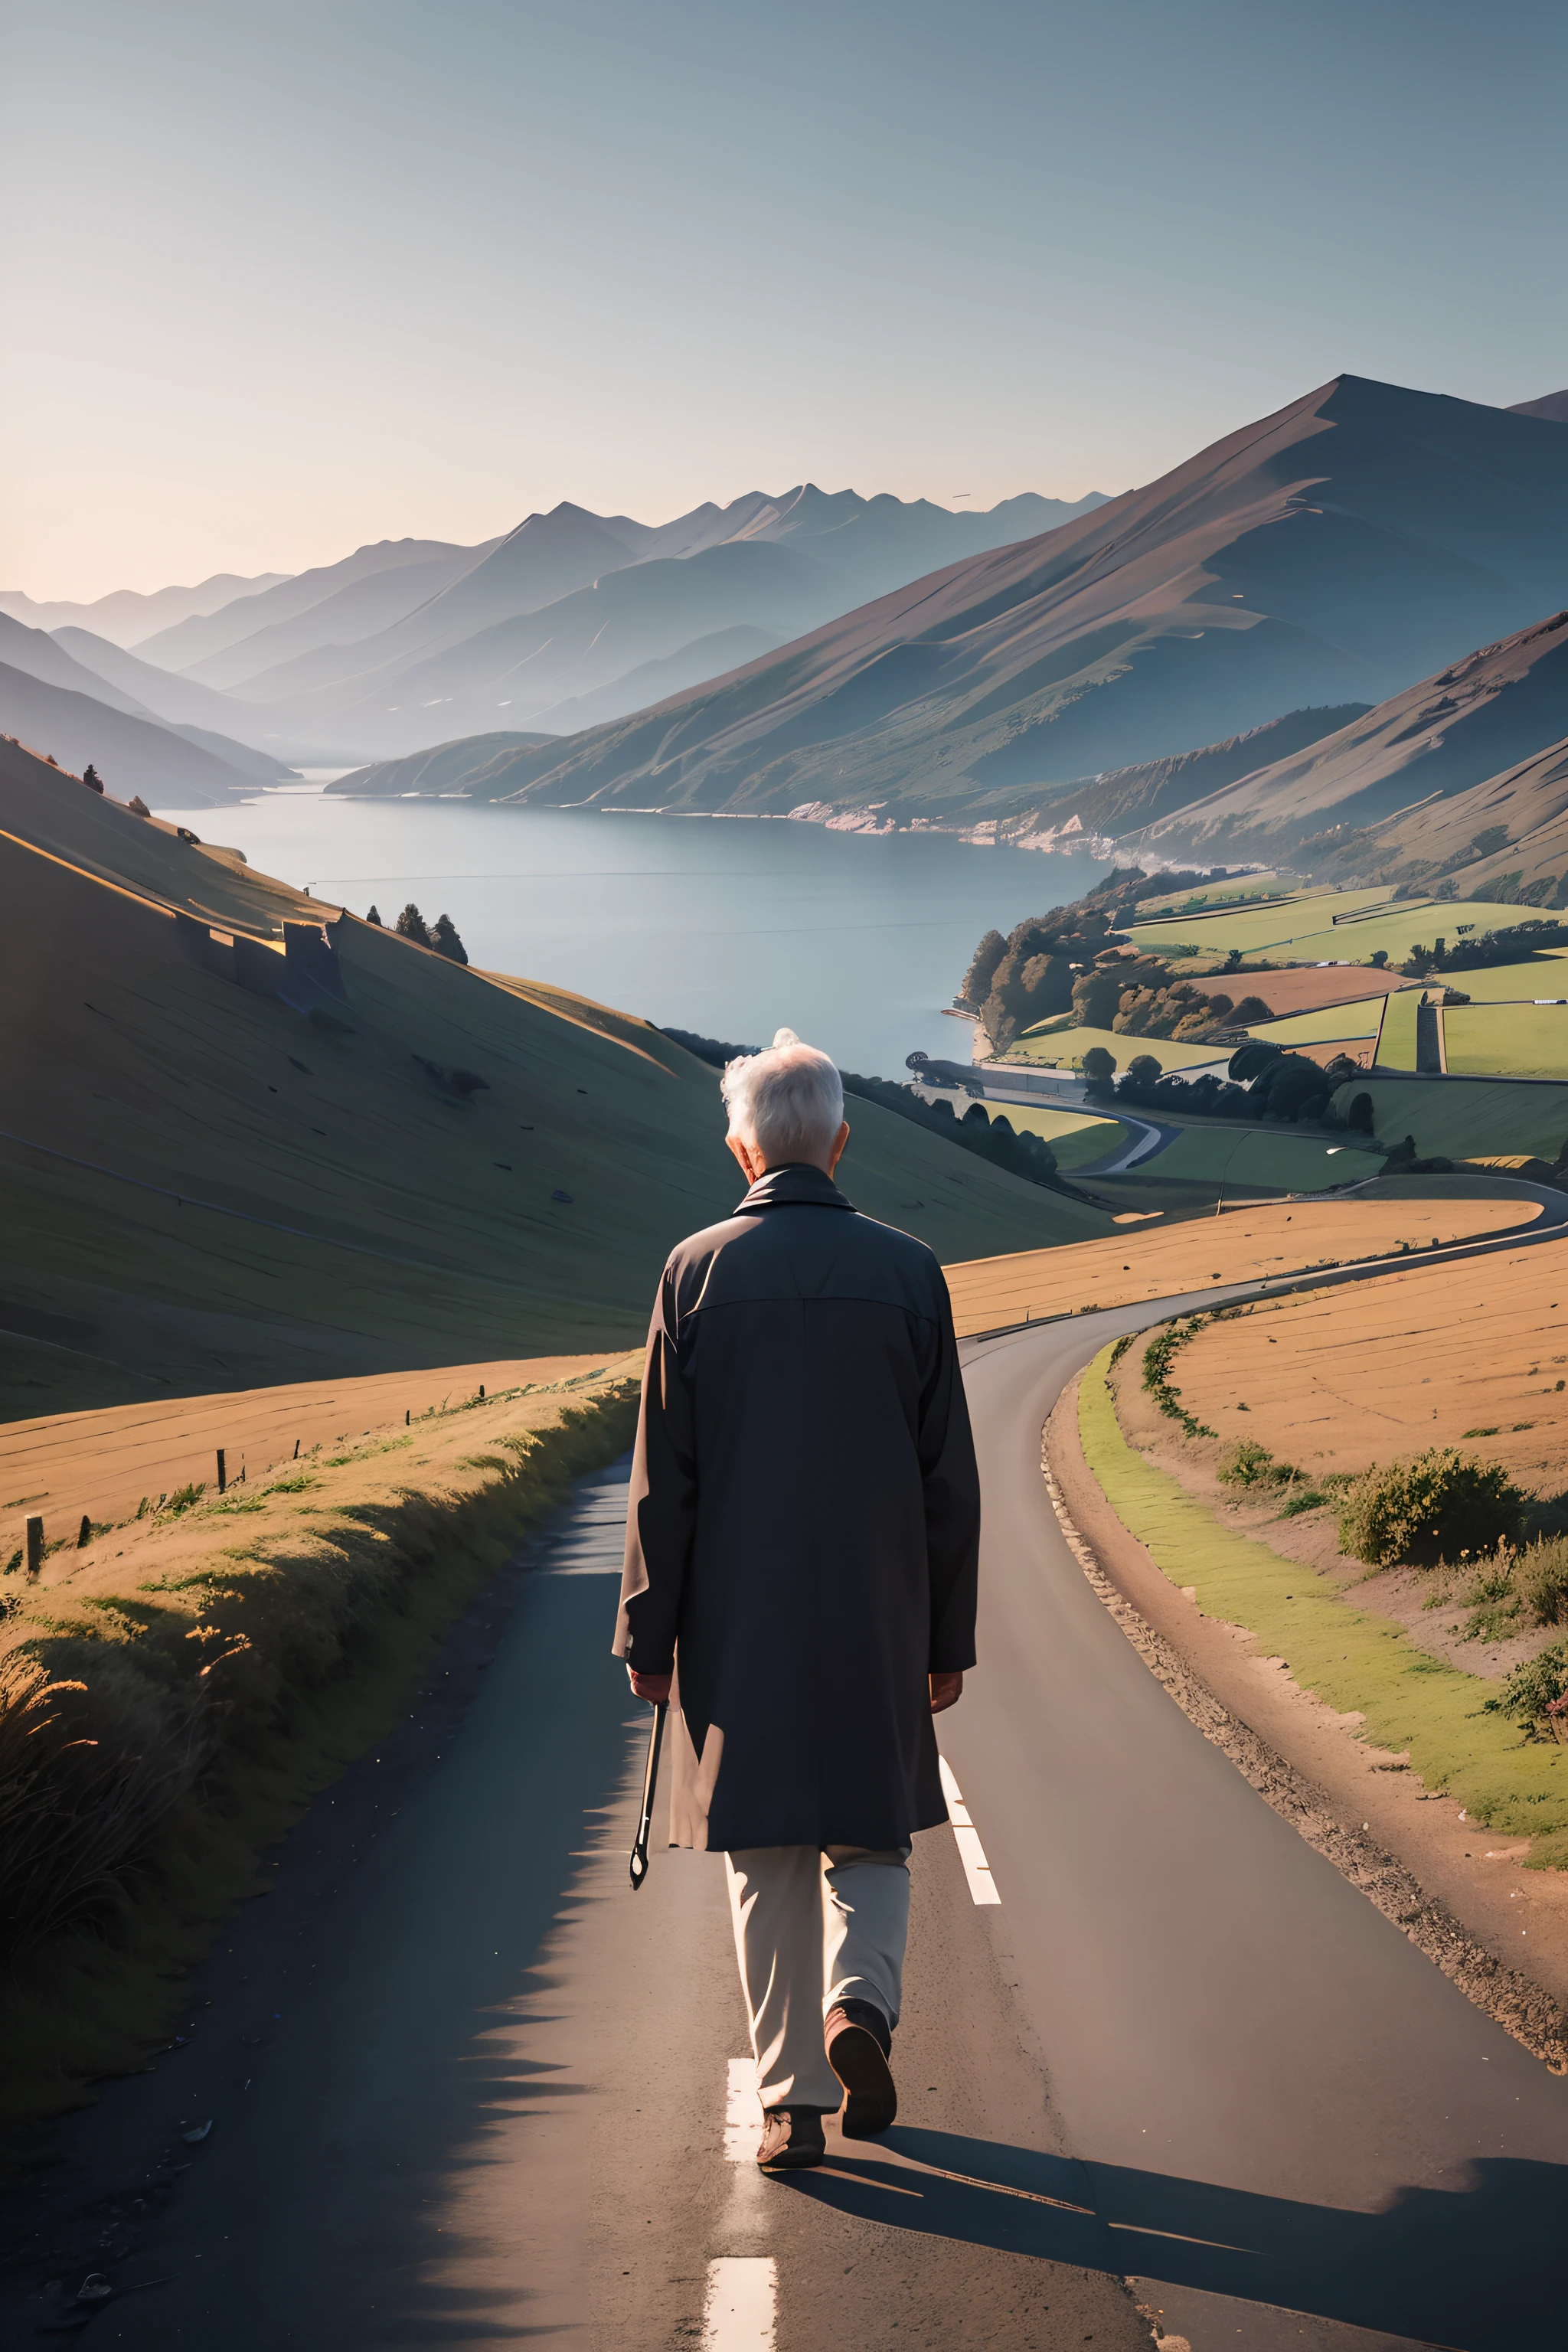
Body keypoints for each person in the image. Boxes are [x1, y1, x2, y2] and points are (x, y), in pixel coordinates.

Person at [614, 1027, 982, 2171]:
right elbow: (947, 1482)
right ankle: (859, 2009)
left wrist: (648, 1631)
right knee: (870, 1842)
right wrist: (945, 1637)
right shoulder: (911, 1272)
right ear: (842, 1140)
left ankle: (791, 2105)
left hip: (739, 1623)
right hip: (877, 1614)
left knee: (764, 1857)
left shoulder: (692, 1273)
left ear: (741, 1151)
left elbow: (661, 1480)